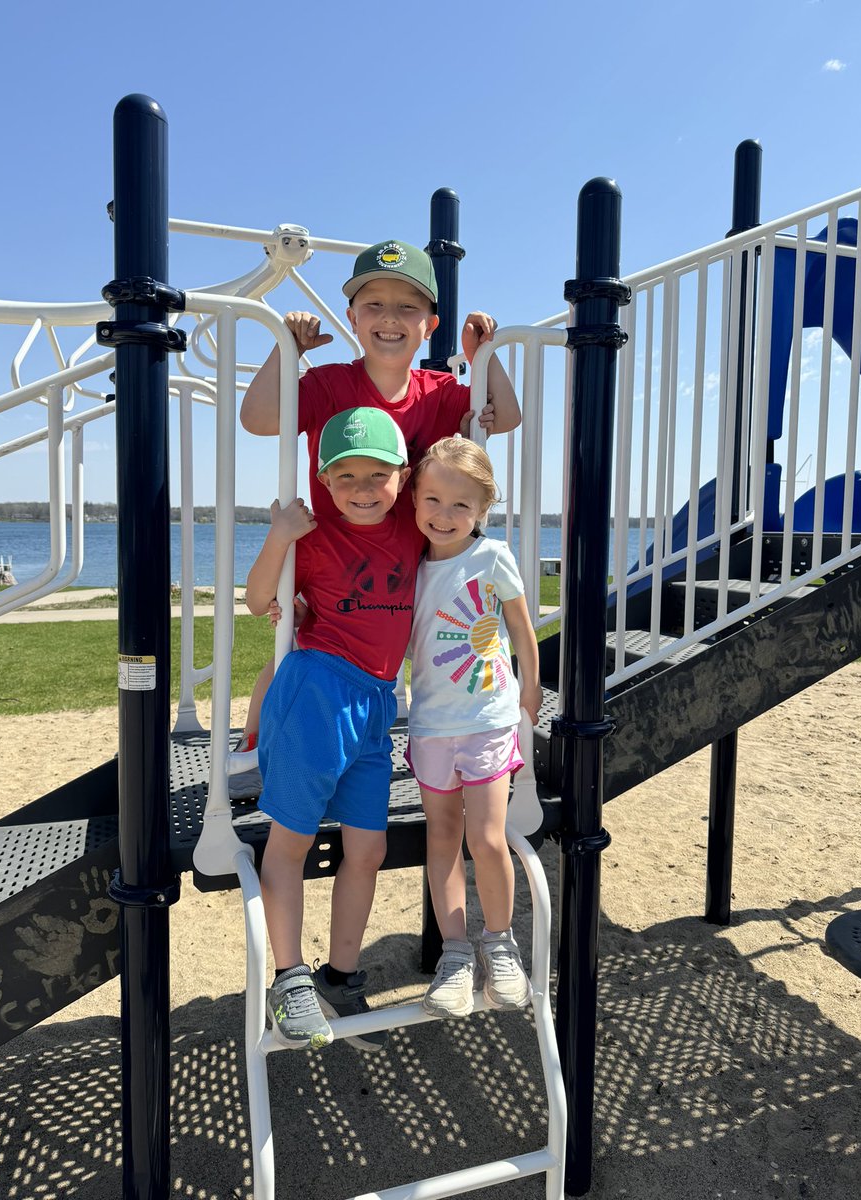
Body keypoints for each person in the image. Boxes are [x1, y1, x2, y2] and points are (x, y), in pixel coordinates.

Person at [230, 239, 520, 795]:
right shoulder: (329, 384)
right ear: (353, 319)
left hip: (406, 554)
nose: (390, 319)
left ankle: (411, 738)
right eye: (374, 305)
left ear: (429, 325)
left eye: (407, 307)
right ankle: (253, 744)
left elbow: (504, 416)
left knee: (392, 653)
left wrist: (485, 357)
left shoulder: (437, 393)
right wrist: (287, 350)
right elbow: (259, 417)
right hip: (335, 552)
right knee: (296, 646)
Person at [246, 406, 425, 1052]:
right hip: (318, 694)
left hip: (377, 705)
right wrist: (279, 536)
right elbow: (259, 599)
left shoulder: (411, 527)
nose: (359, 488)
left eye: (375, 475)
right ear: (323, 480)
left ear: (401, 478)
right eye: (343, 475)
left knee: (368, 850)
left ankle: (339, 976)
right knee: (289, 843)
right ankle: (289, 977)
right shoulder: (313, 533)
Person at [406, 437, 542, 1018]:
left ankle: (500, 945)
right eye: (433, 499)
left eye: (461, 506)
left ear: (483, 509)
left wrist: (530, 685)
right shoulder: (407, 565)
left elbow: (520, 625)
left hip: (487, 719)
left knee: (486, 840)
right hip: (432, 725)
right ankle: (456, 954)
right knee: (441, 840)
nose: (444, 514)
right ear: (413, 499)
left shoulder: (491, 557)